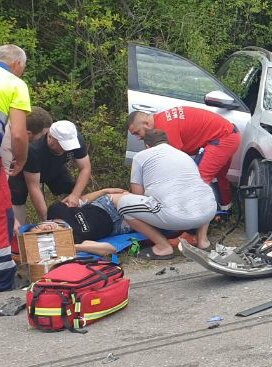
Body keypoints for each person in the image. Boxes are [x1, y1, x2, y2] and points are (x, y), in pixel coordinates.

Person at [126, 106, 239, 249]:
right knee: (220, 176)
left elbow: (173, 168)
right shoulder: (160, 120)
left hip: (222, 138)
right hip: (227, 135)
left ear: (146, 124)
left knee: (197, 183)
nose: (138, 137)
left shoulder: (165, 129)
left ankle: (190, 233)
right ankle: (226, 211)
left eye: (137, 133)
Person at [119, 130, 216, 260]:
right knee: (200, 192)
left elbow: (138, 195)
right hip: (207, 212)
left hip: (174, 217)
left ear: (147, 145)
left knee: (124, 205)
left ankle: (163, 247)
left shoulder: (140, 157)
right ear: (166, 142)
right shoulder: (183, 155)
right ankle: (203, 241)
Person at [12, 120, 92, 225]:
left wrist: (75, 195)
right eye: (63, 145)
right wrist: (47, 221)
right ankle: (17, 232)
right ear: (50, 138)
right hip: (23, 173)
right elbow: (34, 187)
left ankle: (76, 223)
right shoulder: (34, 149)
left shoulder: (75, 139)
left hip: (55, 167)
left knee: (71, 188)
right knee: (17, 197)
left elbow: (85, 168)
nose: (65, 149)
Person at [0, 44, 30, 291]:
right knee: (3, 216)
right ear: (17, 64)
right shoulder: (13, 83)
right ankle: (4, 282)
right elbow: (19, 134)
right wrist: (20, 159)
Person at [35, 187, 132, 257]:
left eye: (37, 227)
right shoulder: (72, 239)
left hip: (106, 205)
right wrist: (74, 247)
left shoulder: (55, 210)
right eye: (45, 233)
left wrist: (104, 191)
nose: (45, 229)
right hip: (119, 226)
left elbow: (81, 200)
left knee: (138, 201)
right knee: (142, 217)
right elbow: (110, 249)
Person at [4, 106, 49, 224]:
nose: (43, 139)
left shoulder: (8, 128)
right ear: (28, 134)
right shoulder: (6, 146)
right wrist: (11, 217)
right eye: (42, 135)